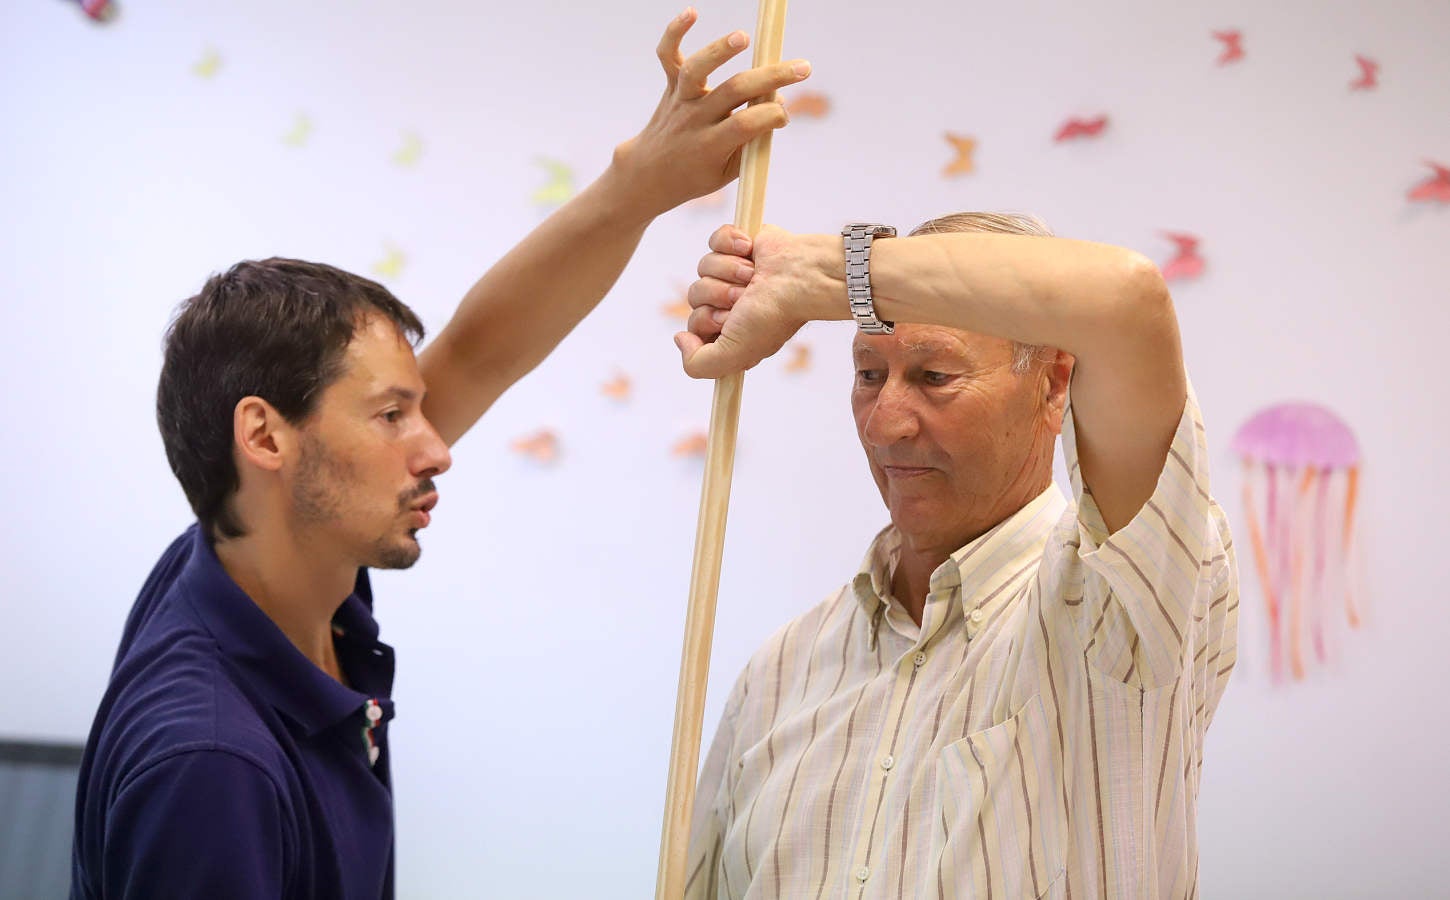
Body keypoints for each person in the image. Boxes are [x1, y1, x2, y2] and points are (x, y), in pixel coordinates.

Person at [70, 11, 812, 899]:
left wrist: (641, 185)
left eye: (417, 409)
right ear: (264, 436)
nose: (437, 448)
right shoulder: (215, 767)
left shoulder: (258, 565)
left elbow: (476, 350)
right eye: (390, 415)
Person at [674, 212, 1239, 898]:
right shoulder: (781, 670)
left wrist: (824, 274)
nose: (884, 422)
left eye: (935, 374)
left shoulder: (1115, 601)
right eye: (868, 373)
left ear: (1055, 385)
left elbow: (1126, 300)